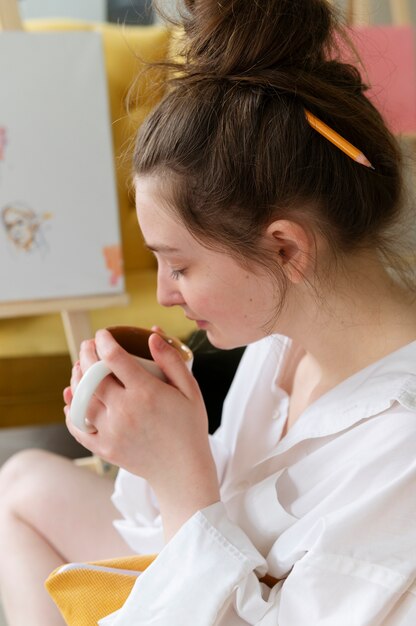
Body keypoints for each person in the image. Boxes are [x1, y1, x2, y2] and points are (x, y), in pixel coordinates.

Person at [1, 0, 416, 623]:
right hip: (204, 569)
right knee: (22, 478)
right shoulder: (284, 339)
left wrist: (177, 474)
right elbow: (208, 503)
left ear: (284, 247)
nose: (166, 294)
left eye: (181, 264)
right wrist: (152, 446)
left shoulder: (401, 445)